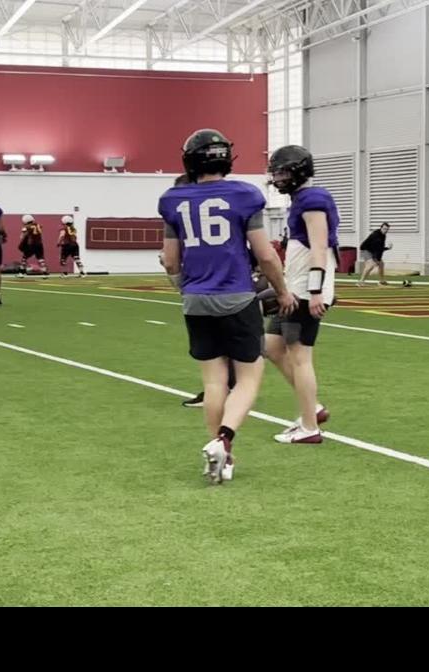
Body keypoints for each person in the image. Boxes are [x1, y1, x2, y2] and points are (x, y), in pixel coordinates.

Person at [158, 129, 294, 484]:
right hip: (236, 295)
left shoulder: (173, 199)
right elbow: (265, 254)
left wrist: (185, 289)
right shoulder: (245, 195)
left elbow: (171, 262)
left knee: (214, 379)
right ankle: (224, 439)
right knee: (249, 377)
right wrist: (281, 291)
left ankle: (221, 452)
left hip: (196, 299)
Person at [265, 145, 338, 444]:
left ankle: (309, 426)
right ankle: (314, 408)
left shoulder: (312, 199)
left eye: (283, 172)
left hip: (306, 289)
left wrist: (316, 290)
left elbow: (319, 247)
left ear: (298, 171)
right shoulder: (301, 199)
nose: (278, 178)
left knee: (300, 356)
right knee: (272, 346)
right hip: (296, 286)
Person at [357, 222, 391, 287]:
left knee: (381, 264)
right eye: (384, 229)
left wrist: (378, 260)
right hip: (365, 249)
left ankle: (382, 281)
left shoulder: (383, 236)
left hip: (372, 250)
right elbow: (378, 248)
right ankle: (360, 281)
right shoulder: (376, 235)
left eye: (387, 229)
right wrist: (387, 248)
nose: (385, 231)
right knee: (371, 265)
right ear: (381, 228)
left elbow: (379, 249)